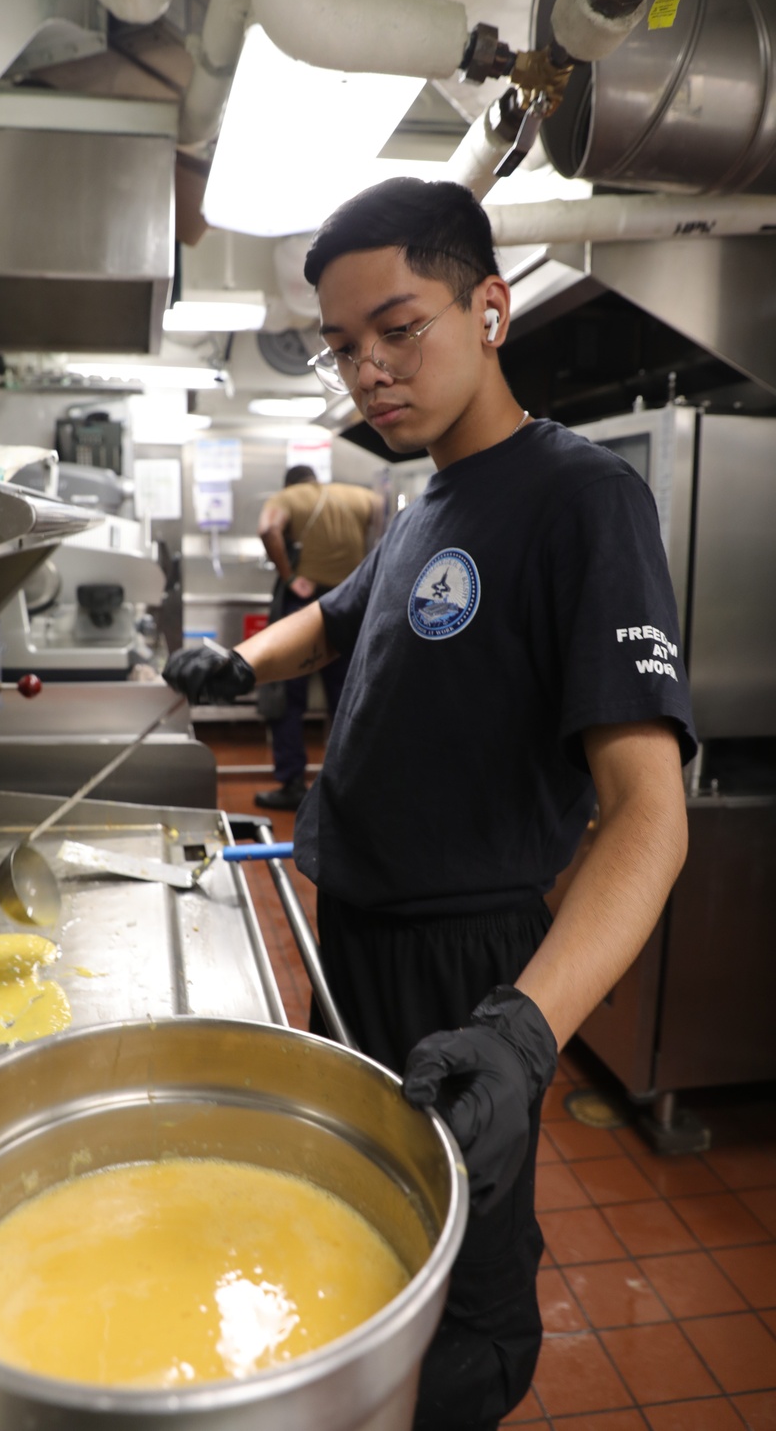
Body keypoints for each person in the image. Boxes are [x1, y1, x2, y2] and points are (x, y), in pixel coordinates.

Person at [163, 177, 695, 1431]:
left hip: (465, 963)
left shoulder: (581, 498)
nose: (371, 371)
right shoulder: (417, 505)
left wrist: (521, 1034)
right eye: (348, 347)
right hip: (356, 926)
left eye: (400, 329)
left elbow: (648, 817)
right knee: (372, 1221)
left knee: (466, 1293)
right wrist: (242, 663)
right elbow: (335, 620)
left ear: (492, 308)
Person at [254, 463, 382, 810]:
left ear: (291, 483)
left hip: (305, 605)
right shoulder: (361, 496)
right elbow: (386, 519)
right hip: (353, 604)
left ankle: (293, 783)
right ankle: (350, 785)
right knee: (349, 696)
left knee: (287, 695)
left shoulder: (286, 497)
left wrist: (290, 575)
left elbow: (268, 530)